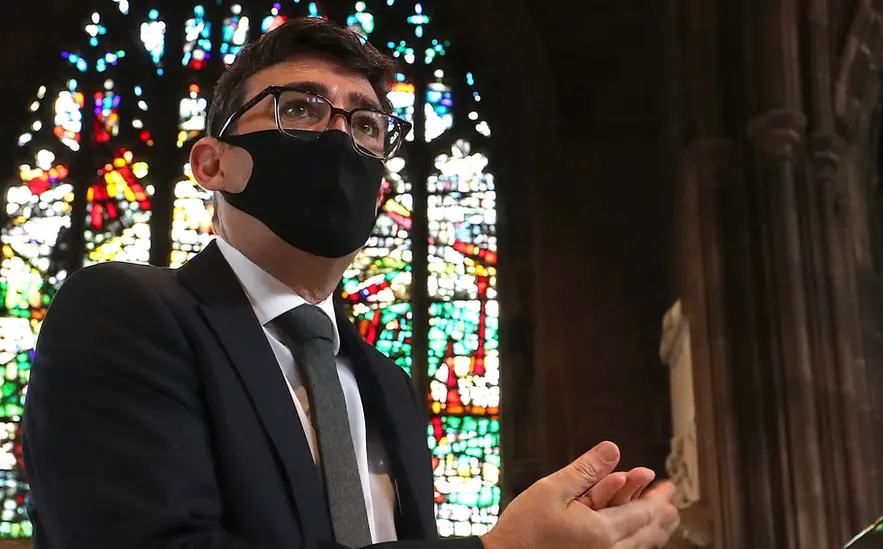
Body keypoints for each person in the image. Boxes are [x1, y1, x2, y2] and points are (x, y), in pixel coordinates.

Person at [22, 17, 678, 549]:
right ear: (212, 162)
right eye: (301, 109)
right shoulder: (124, 315)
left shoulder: (388, 387)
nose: (341, 138)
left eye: (365, 124)